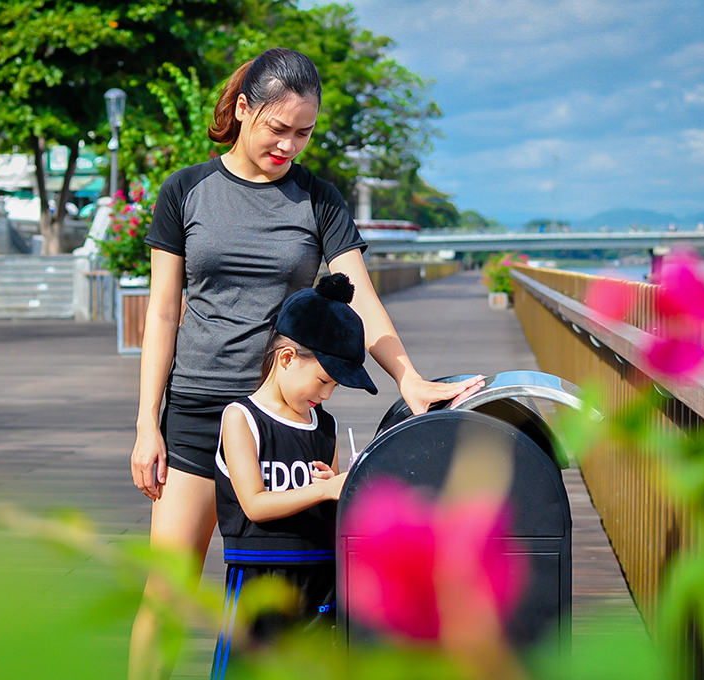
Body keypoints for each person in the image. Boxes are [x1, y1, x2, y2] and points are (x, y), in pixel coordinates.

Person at [128, 47, 483, 679]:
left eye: (304, 133)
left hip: (280, 416)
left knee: (285, 596)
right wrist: (146, 425)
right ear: (243, 109)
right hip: (198, 410)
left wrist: (409, 378)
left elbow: (362, 298)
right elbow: (162, 315)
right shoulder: (186, 190)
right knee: (168, 591)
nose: (289, 145)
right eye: (277, 128)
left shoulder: (317, 200)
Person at [211, 273, 374, 679]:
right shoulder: (242, 418)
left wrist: (337, 487)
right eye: (323, 380)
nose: (327, 395)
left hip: (321, 579)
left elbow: (329, 497)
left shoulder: (325, 426)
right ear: (286, 358)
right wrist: (322, 491)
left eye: (335, 386)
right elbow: (255, 504)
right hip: (261, 579)